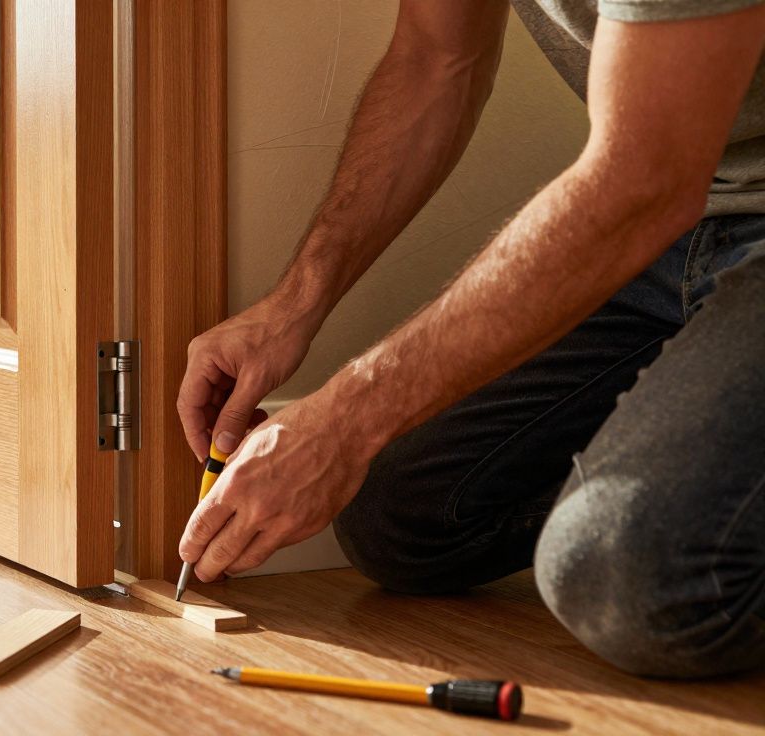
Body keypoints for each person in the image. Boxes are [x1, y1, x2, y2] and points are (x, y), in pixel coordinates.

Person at [176, 0, 765, 678]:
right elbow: (436, 60)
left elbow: (644, 181)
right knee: (397, 516)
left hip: (663, 200)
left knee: (635, 580)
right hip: (673, 228)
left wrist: (343, 423)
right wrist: (294, 304)